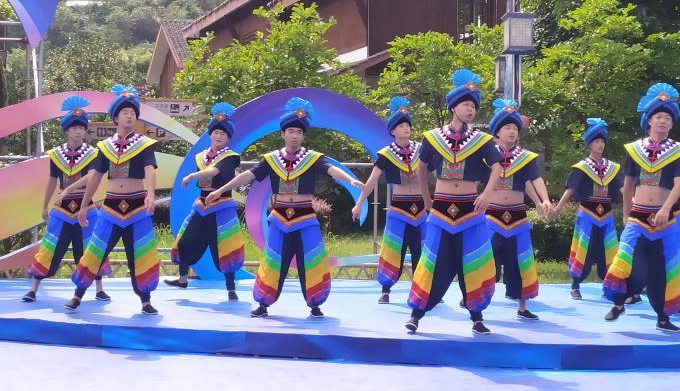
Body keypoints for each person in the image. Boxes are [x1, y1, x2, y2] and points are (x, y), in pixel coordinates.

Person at [206, 97, 363, 318]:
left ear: (303, 136)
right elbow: (248, 175)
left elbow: (331, 169)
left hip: (305, 217)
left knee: (311, 260)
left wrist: (350, 180)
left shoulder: (312, 158)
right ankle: (263, 303)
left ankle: (315, 304)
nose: (294, 135)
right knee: (273, 260)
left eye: (299, 132)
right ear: (283, 134)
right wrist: (221, 189)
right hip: (279, 217)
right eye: (290, 131)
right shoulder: (272, 159)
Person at [405, 69, 502, 334]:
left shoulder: (481, 140)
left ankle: (477, 316)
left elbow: (497, 167)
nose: (470, 110)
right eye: (466, 104)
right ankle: (416, 314)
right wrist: (427, 199)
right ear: (453, 107)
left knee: (473, 261)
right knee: (433, 261)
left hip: (471, 207)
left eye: (473, 106)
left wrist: (487, 194)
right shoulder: (433, 138)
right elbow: (420, 168)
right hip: (441, 208)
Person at [603, 83, 680, 332]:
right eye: (659, 116)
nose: (663, 121)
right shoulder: (635, 150)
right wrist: (625, 214)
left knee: (663, 268)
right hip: (638, 216)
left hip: (668, 218)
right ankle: (619, 303)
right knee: (626, 260)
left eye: (667, 118)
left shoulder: (679, 152)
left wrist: (665, 208)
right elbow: (628, 184)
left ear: (672, 124)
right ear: (649, 120)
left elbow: (679, 183)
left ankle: (663, 317)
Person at [65, 85, 160, 315]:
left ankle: (145, 300)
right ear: (116, 117)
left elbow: (150, 170)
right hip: (111, 206)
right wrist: (84, 205)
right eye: (125, 112)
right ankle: (78, 294)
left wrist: (150, 194)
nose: (129, 115)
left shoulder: (144, 144)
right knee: (96, 251)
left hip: (137, 206)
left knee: (140, 253)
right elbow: (95, 176)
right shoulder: (105, 147)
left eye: (133, 112)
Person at [23, 96, 110, 302]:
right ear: (67, 130)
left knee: (91, 248)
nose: (78, 131)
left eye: (81, 127)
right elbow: (52, 180)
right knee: (50, 246)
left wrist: (69, 188)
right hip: (61, 209)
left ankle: (99, 288)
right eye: (74, 127)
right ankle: (33, 289)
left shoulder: (93, 154)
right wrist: (44, 206)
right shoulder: (56, 154)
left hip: (86, 208)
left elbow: (92, 176)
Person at [165, 102, 245, 300]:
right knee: (185, 240)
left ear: (228, 138)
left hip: (221, 207)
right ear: (210, 134)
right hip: (202, 205)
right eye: (216, 132)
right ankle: (183, 279)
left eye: (223, 134)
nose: (219, 136)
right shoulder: (201, 156)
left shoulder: (230, 157)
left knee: (224, 246)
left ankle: (231, 288)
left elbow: (214, 172)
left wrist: (191, 176)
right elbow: (205, 177)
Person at [352, 96, 425, 304]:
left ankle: (424, 289)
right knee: (394, 251)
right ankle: (386, 289)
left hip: (421, 208)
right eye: (401, 125)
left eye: (407, 125)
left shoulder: (421, 150)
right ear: (393, 131)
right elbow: (371, 181)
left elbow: (437, 174)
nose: (406, 128)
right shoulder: (386, 154)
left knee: (422, 250)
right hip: (399, 209)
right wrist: (359, 203)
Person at [483, 98, 551, 321]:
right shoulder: (486, 154)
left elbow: (532, 180)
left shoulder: (524, 157)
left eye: (515, 127)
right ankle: (476, 301)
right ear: (497, 131)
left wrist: (543, 200)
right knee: (486, 261)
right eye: (507, 127)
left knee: (520, 261)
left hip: (517, 216)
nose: (512, 131)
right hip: (491, 215)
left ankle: (522, 306)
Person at [552, 118, 621, 300]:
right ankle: (575, 285)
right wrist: (557, 209)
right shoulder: (582, 168)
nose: (600, 145)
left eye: (602, 141)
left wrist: (635, 203)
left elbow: (623, 189)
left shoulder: (612, 168)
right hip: (587, 215)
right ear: (589, 144)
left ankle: (610, 286)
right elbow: (571, 189)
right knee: (583, 250)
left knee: (608, 251)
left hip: (606, 216)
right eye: (596, 141)